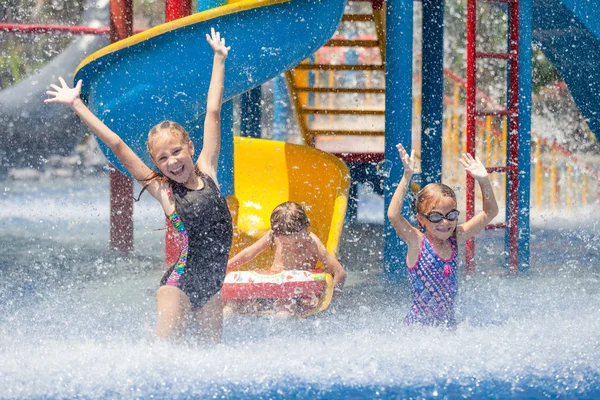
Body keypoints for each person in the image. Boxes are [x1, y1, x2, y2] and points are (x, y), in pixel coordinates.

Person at [45, 28, 232, 342]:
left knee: (211, 361)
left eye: (176, 152)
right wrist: (77, 105)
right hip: (179, 286)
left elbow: (213, 112)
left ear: (189, 147)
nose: (172, 162)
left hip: (213, 287)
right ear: (156, 163)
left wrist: (219, 59)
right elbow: (117, 144)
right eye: (163, 158)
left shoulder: (209, 171)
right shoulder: (165, 191)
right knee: (165, 357)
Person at [387, 144, 499, 327]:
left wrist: (483, 181)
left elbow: (490, 212)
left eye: (451, 215)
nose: (445, 222)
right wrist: (407, 176)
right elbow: (393, 215)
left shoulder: (455, 238)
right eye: (436, 217)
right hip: (418, 329)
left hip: (447, 327)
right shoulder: (417, 241)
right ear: (421, 220)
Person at [224, 201, 347, 318]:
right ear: (276, 234)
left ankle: (276, 337)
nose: (293, 247)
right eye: (287, 244)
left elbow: (340, 272)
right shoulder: (273, 236)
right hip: (271, 289)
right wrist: (226, 267)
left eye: (298, 242)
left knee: (283, 311)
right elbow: (249, 253)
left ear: (306, 228)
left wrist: (328, 303)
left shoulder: (312, 243)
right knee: (232, 304)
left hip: (295, 293)